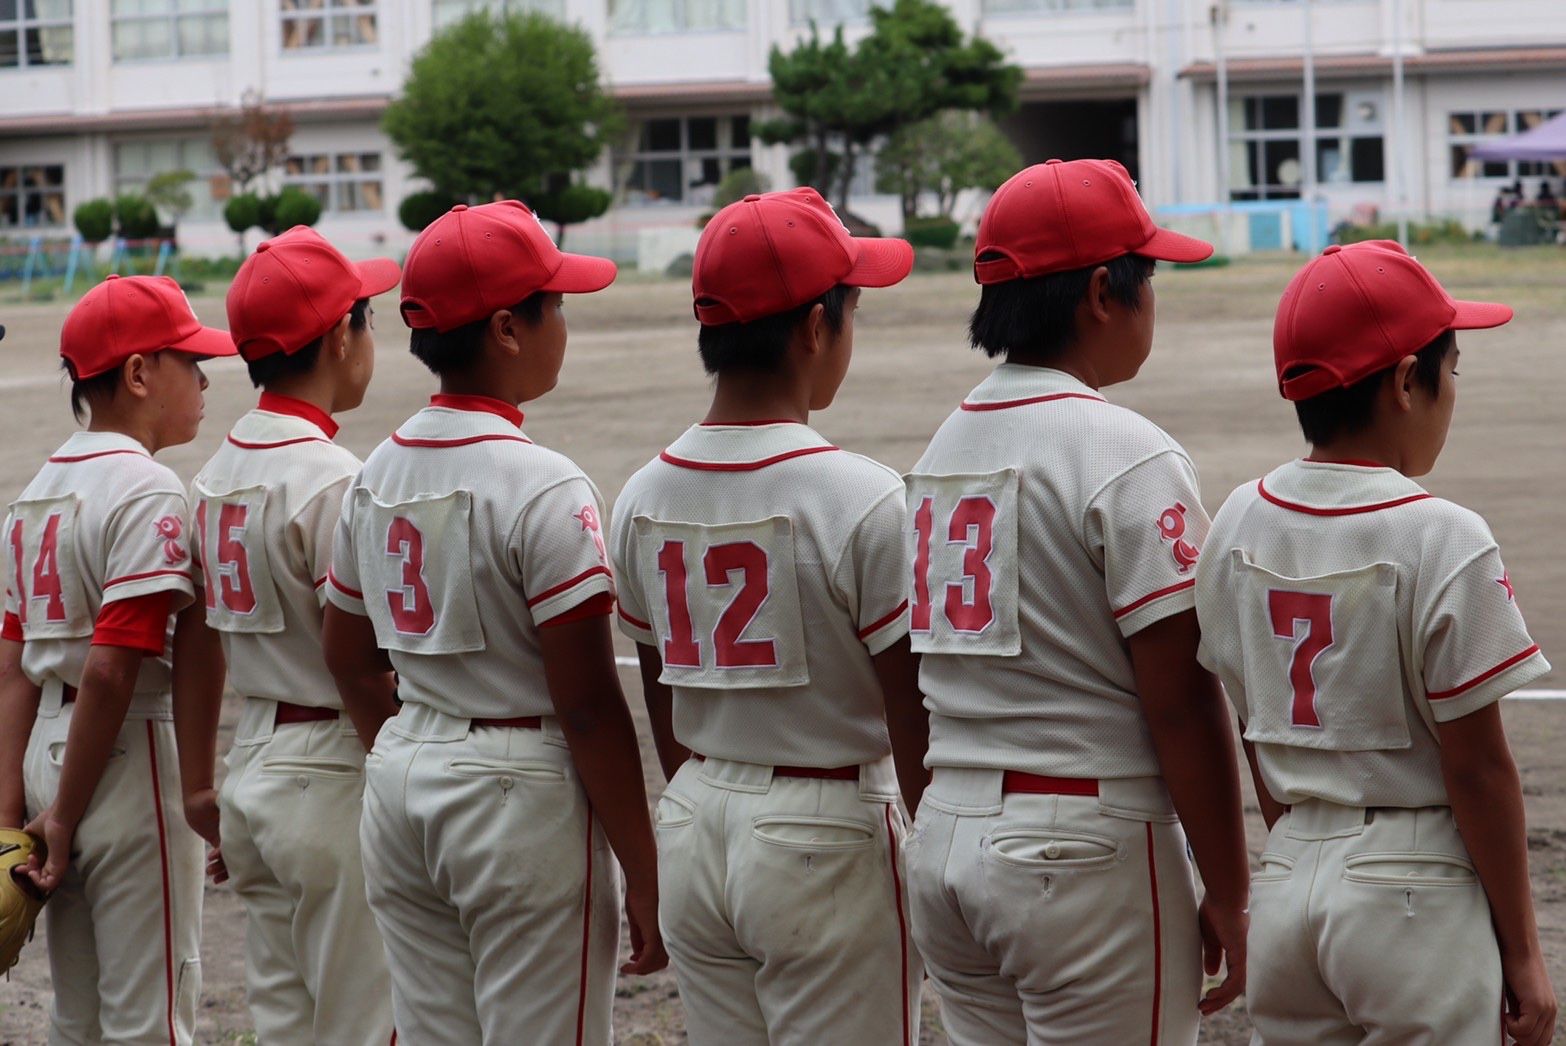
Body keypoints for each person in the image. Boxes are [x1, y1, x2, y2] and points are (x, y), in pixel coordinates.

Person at [900, 159, 1250, 1044]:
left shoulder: (944, 443)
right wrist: (1235, 892)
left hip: (947, 835)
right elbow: (1180, 697)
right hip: (1079, 850)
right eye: (1147, 277)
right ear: (1103, 291)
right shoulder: (1123, 449)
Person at [1195, 240, 1556, 1046]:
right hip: (1413, 894)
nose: (1451, 393)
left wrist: (1300, 844)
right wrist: (1525, 952)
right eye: (1450, 369)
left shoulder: (1237, 519)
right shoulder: (1442, 533)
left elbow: (1256, 725)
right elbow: (1478, 767)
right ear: (1403, 381)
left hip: (1289, 882)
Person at [320, 201, 665, 1043]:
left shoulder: (375, 471)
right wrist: (646, 870)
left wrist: (415, 752)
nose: (565, 325)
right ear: (509, 329)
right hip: (518, 799)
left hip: (404, 776)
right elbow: (586, 705)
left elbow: (346, 652)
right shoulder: (544, 482)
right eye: (556, 307)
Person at [610, 188, 926, 1044]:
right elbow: (910, 709)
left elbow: (662, 692)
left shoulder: (642, 492)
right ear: (816, 329)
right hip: (825, 828)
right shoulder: (860, 494)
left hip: (697, 811)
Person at [176, 226, 400, 1043]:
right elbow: (363, 662)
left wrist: (198, 782)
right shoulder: (337, 477)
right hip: (334, 770)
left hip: (253, 774)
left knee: (287, 1024)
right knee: (367, 1022)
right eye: (367, 320)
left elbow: (195, 640)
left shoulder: (214, 475)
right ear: (341, 335)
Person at [0, 274, 235, 1043]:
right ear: (138, 374)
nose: (203, 378)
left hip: (44, 754)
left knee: (79, 1013)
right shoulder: (147, 488)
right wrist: (65, 813)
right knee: (150, 1017)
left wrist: (15, 811)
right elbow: (112, 666)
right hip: (124, 755)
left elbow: (11, 672)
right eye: (188, 360)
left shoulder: (34, 492)